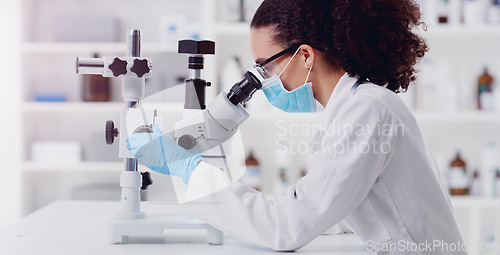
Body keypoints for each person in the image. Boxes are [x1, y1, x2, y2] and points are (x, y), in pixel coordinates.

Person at [127, 0, 466, 254]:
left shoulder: (367, 110)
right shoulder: (358, 105)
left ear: (305, 56)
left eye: (265, 67)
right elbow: (332, 211)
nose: (263, 81)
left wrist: (188, 169)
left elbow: (286, 229)